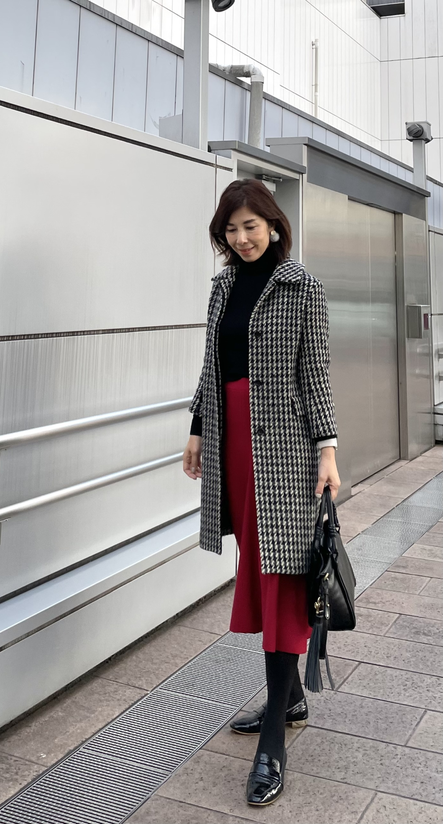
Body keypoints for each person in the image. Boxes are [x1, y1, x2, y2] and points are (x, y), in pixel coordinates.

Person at [182, 178, 341, 807]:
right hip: (230, 444)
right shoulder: (222, 287)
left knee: (281, 578)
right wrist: (197, 428)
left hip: (285, 452)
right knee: (259, 563)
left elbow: (316, 374)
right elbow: (209, 365)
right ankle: (292, 695)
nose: (243, 238)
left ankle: (274, 733)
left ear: (274, 224)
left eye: (253, 226)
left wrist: (328, 449)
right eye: (232, 229)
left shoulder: (302, 288)